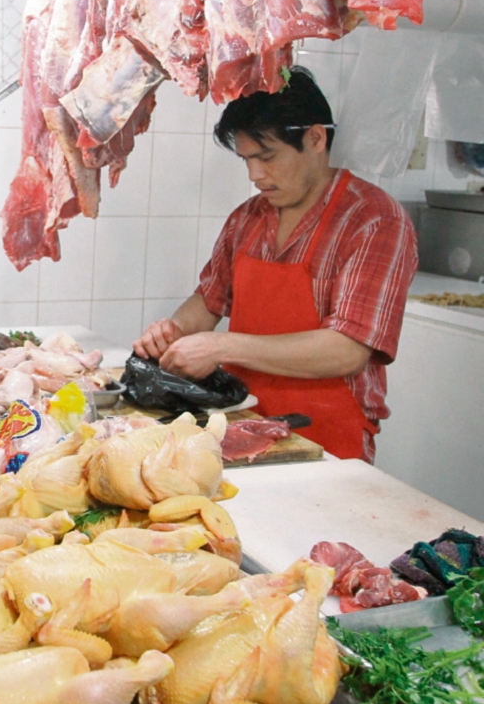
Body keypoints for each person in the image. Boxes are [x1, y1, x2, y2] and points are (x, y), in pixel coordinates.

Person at [132, 67, 418, 462]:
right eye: (246, 159)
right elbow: (209, 300)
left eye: (267, 157)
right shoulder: (247, 217)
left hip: (326, 440)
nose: (255, 175)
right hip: (238, 423)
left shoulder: (373, 219)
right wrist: (173, 334)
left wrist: (220, 345)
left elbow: (347, 350)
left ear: (315, 138)